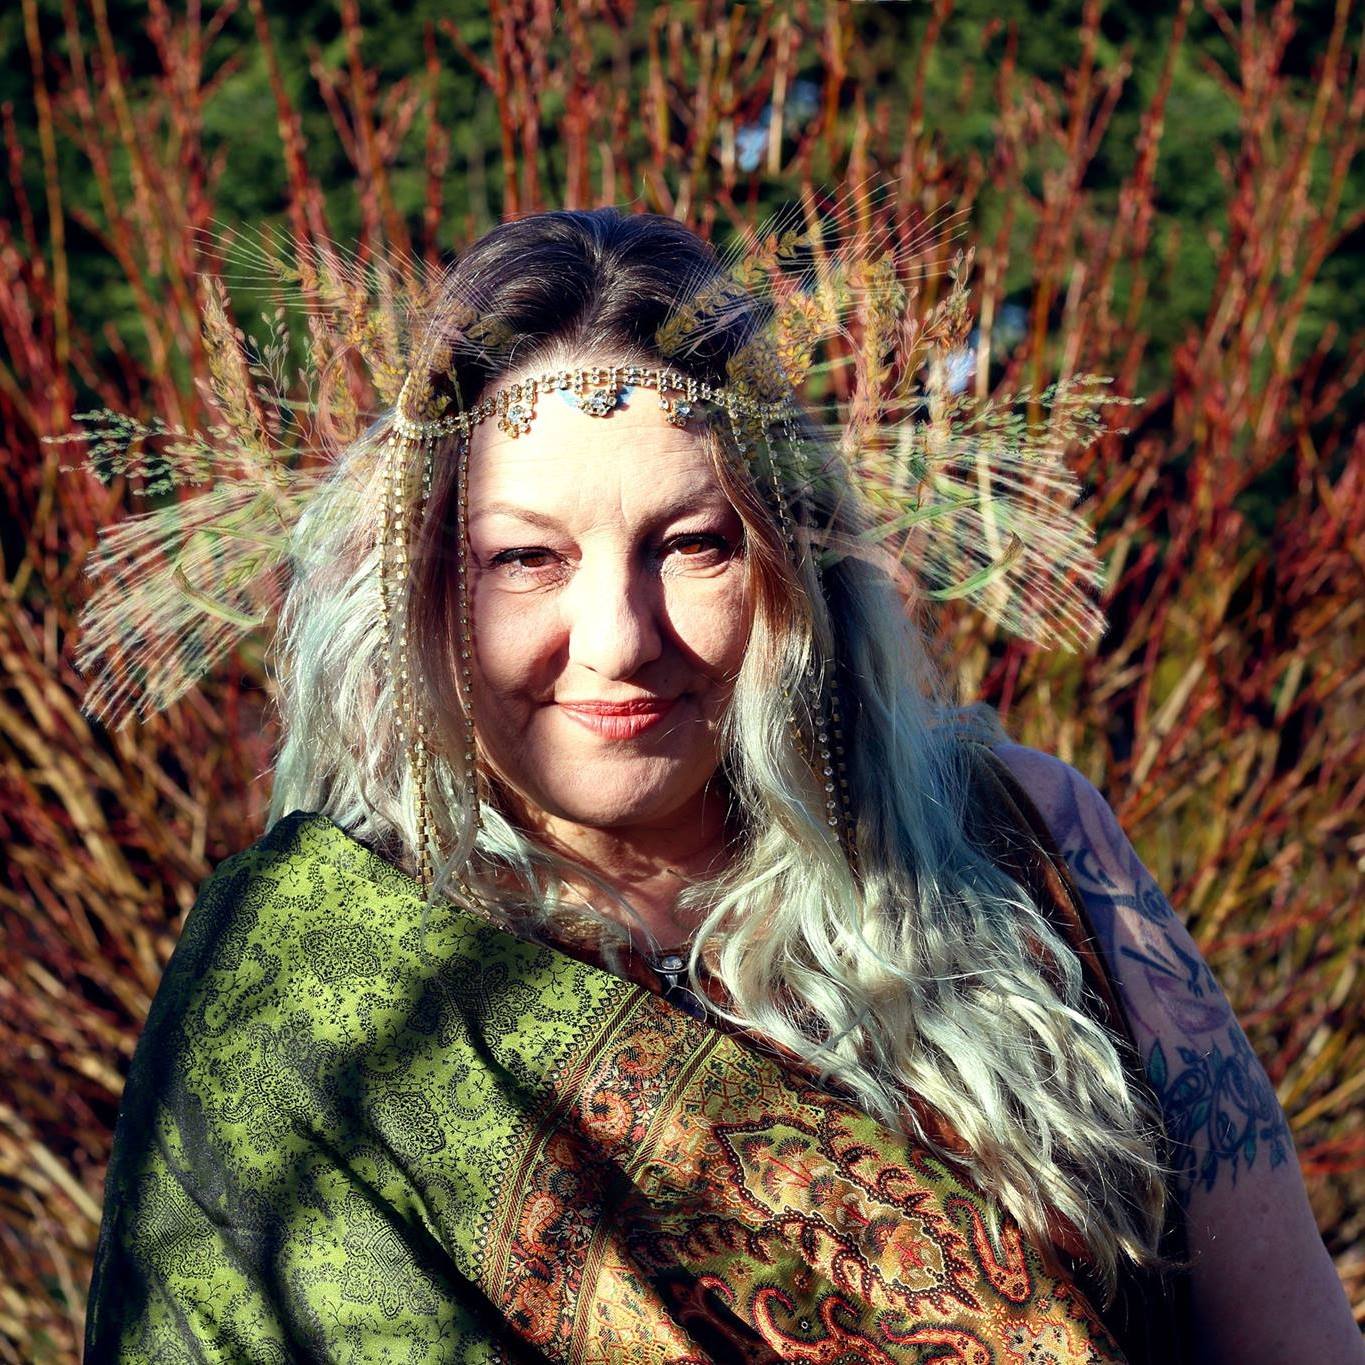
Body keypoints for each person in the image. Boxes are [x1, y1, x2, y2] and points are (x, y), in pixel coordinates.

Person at [79, 206, 1361, 1363]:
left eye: (692, 544)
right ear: (421, 592)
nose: (620, 636)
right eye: (525, 558)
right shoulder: (307, 1000)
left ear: (791, 568)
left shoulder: (1033, 845)